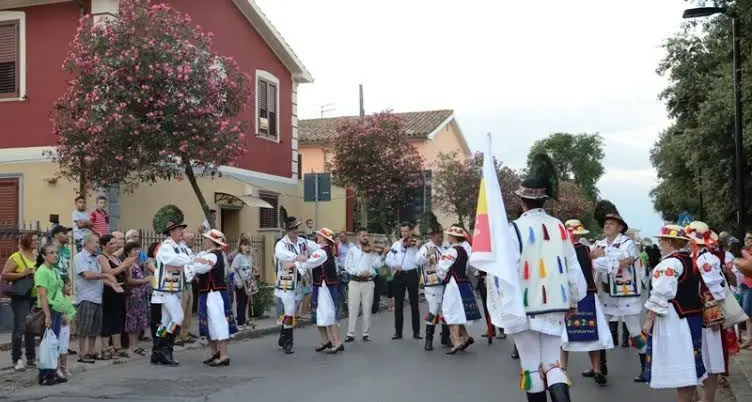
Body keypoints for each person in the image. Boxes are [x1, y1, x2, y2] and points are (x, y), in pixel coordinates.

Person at [495, 154, 587, 402]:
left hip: (524, 305)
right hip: (555, 305)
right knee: (553, 363)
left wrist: (505, 303)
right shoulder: (559, 226)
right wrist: (574, 300)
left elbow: (507, 270)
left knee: (531, 366)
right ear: (543, 200)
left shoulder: (513, 229)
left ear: (521, 200)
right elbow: (572, 267)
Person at [643, 225, 706, 401]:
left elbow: (662, 292)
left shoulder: (671, 263)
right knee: (688, 365)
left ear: (671, 242)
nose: (660, 243)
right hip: (689, 317)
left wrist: (649, 320)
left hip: (676, 320)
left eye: (662, 240)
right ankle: (692, 398)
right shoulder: (689, 259)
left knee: (682, 368)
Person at [590, 210, 647, 382]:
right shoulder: (599, 244)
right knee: (601, 329)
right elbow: (596, 264)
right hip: (606, 294)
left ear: (620, 227)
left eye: (612, 223)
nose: (607, 225)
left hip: (626, 293)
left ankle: (647, 367)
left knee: (635, 333)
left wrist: (605, 259)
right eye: (606, 223)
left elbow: (625, 262)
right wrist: (612, 261)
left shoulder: (628, 243)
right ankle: (600, 367)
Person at [561, 219, 613, 386]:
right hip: (589, 294)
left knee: (564, 335)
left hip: (568, 297)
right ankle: (596, 369)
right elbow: (603, 267)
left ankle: (563, 370)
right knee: (593, 334)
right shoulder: (587, 249)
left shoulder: (560, 250)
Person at [685, 221, 726, 402]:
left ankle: (707, 399)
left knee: (710, 357)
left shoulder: (706, 259)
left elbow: (715, 291)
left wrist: (715, 315)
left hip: (706, 314)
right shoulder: (697, 258)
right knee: (698, 355)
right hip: (694, 314)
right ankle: (696, 396)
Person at [288, 227, 344, 354]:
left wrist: (295, 262)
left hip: (326, 287)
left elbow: (310, 263)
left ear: (324, 238)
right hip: (320, 286)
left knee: (329, 314)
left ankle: (337, 342)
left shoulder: (323, 252)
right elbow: (309, 247)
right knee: (320, 314)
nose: (317, 236)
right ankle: (326, 341)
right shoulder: (322, 249)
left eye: (319, 235)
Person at [151, 216, 193, 366]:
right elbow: (175, 260)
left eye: (182, 229)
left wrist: (187, 261)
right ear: (171, 232)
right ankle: (166, 349)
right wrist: (187, 262)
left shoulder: (182, 246)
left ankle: (158, 350)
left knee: (165, 322)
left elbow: (188, 257)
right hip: (165, 289)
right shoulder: (165, 247)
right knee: (178, 318)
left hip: (174, 288)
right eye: (178, 229)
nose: (182, 232)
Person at [73, 233, 121, 364]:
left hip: (97, 297)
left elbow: (100, 278)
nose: (97, 245)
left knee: (95, 328)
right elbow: (87, 275)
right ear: (86, 243)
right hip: (86, 297)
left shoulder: (95, 259)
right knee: (84, 327)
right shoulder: (80, 257)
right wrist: (106, 275)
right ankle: (82, 353)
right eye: (95, 242)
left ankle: (92, 351)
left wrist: (111, 283)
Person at [274, 216, 318, 354]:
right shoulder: (282, 243)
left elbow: (317, 248)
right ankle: (288, 342)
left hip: (301, 281)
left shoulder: (303, 242)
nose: (296, 231)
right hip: (287, 280)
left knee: (293, 310)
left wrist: (323, 248)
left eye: (297, 228)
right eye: (293, 228)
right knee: (289, 309)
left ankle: (283, 334)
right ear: (287, 230)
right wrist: (296, 257)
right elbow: (280, 254)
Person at [34, 244, 76, 385]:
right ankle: (45, 375)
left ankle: (52, 372)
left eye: (56, 253)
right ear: (44, 256)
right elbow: (43, 296)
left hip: (58, 310)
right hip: (49, 310)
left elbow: (60, 292)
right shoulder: (42, 271)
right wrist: (47, 316)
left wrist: (64, 309)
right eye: (51, 253)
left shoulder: (55, 271)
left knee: (54, 343)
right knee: (47, 343)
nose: (55, 255)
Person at [437, 225, 481, 354]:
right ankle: (466, 337)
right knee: (459, 311)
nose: (447, 237)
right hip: (462, 283)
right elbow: (468, 268)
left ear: (453, 237)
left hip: (453, 284)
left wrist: (438, 269)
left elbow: (442, 268)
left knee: (450, 312)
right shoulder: (464, 250)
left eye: (449, 235)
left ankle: (456, 342)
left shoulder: (451, 251)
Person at [195, 229, 234, 366]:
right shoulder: (211, 255)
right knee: (209, 323)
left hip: (214, 294)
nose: (204, 241)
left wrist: (193, 262)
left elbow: (200, 268)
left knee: (218, 322)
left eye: (206, 239)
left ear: (212, 242)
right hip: (208, 293)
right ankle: (215, 352)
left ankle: (224, 355)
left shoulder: (213, 255)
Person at [2, 231, 39, 371]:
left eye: (37, 239)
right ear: (27, 242)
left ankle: (31, 358)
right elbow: (5, 275)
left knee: (31, 327)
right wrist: (23, 273)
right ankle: (16, 358)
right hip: (21, 297)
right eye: (34, 240)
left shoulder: (36, 256)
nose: (37, 242)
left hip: (34, 296)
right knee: (19, 328)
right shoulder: (16, 257)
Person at [98, 234, 137, 359]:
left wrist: (127, 267)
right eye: (111, 244)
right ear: (103, 245)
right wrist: (124, 265)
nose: (114, 246)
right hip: (109, 290)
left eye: (115, 243)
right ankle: (105, 347)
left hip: (120, 289)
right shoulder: (102, 257)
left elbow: (124, 272)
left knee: (119, 318)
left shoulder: (116, 258)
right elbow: (108, 272)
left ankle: (117, 346)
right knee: (108, 318)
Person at [385, 222, 423, 340]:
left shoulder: (416, 244)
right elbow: (388, 259)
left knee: (414, 303)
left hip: (411, 274)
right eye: (402, 231)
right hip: (399, 274)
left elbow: (420, 259)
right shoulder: (396, 244)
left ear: (411, 231)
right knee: (398, 304)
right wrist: (395, 265)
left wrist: (418, 246)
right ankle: (398, 332)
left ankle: (416, 332)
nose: (404, 233)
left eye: (406, 231)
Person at [415, 223, 449, 350]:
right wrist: (427, 257)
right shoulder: (426, 247)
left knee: (445, 310)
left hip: (445, 283)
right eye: (437, 234)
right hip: (432, 283)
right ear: (432, 236)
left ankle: (445, 338)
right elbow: (417, 260)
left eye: (441, 234)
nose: (440, 237)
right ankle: (428, 340)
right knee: (434, 310)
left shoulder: (446, 247)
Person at [344, 228, 380, 343]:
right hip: (355, 282)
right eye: (363, 236)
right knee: (353, 308)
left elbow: (376, 264)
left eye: (367, 235)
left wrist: (381, 255)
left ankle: (366, 333)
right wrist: (359, 272)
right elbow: (348, 266)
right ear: (357, 237)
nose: (366, 238)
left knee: (367, 308)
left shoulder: (371, 251)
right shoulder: (352, 250)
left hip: (368, 282)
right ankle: (351, 333)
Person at [124, 241, 151, 357]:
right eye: (134, 250)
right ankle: (131, 345)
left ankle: (136, 345)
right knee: (132, 320)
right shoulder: (128, 264)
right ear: (128, 252)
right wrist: (143, 281)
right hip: (134, 295)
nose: (137, 252)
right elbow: (128, 280)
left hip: (141, 294)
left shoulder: (137, 263)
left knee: (139, 320)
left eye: (138, 249)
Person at [231, 238, 256, 330]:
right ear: (240, 246)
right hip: (240, 283)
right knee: (240, 302)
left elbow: (251, 267)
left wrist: (254, 269)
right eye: (245, 245)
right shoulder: (238, 257)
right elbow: (233, 269)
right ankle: (239, 323)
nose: (247, 247)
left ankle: (244, 321)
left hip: (248, 282)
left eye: (248, 245)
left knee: (245, 302)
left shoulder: (249, 257)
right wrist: (238, 281)